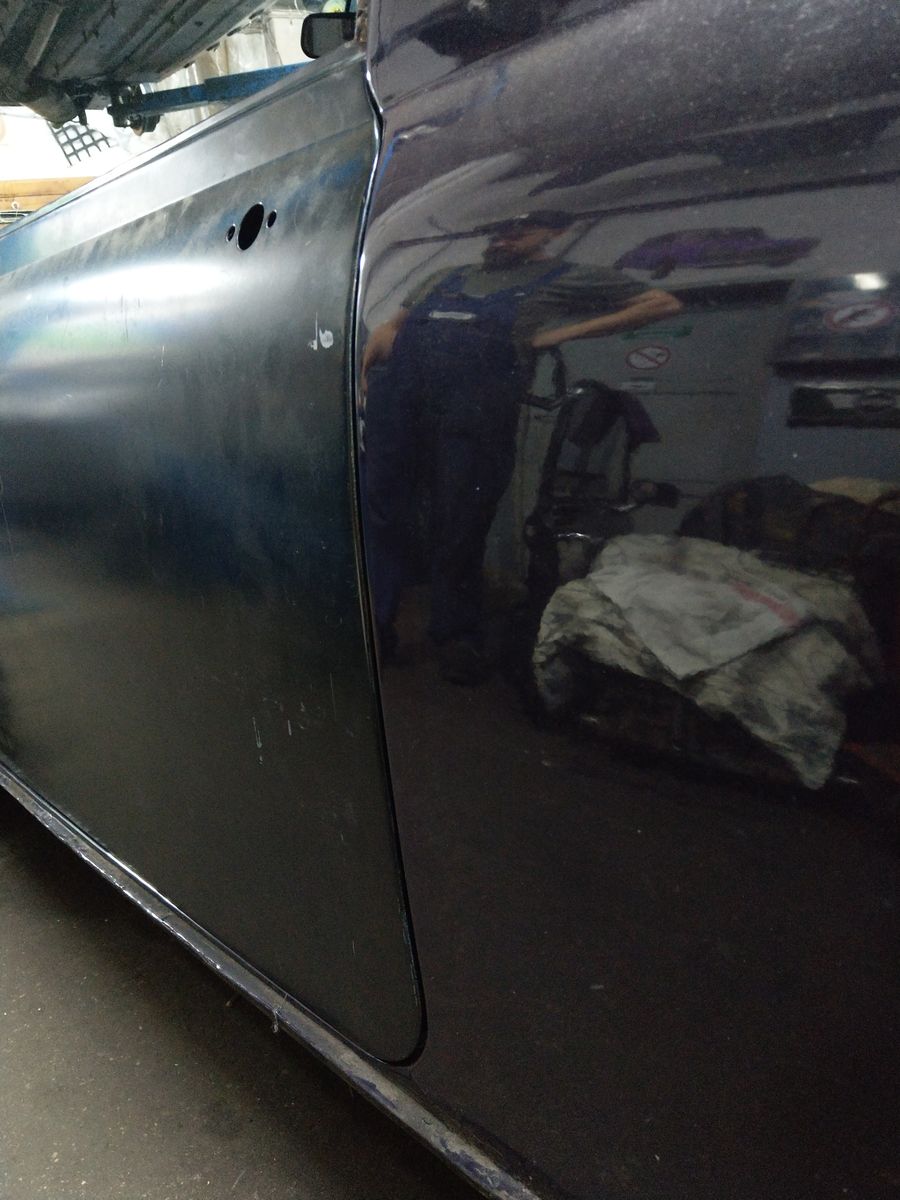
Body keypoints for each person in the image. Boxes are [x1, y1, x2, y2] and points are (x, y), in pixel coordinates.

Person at [361, 210, 682, 681]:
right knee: (382, 516)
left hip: (476, 411)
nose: (505, 236)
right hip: (400, 405)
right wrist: (368, 370)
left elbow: (661, 303)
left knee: (461, 523)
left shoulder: (565, 277)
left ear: (554, 233)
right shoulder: (445, 276)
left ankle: (454, 635)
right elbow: (394, 327)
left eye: (520, 230)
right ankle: (375, 625)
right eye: (500, 229)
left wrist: (556, 335)